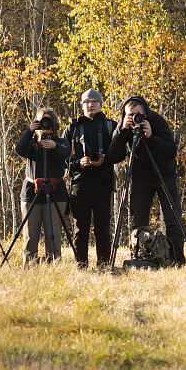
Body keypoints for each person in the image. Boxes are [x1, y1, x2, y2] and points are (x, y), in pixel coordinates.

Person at [112, 95, 183, 265]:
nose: (136, 119)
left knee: (173, 220)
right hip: (140, 178)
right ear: (124, 114)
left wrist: (151, 137)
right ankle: (141, 258)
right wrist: (122, 131)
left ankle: (177, 260)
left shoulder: (157, 122)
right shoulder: (123, 125)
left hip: (164, 175)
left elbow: (171, 150)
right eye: (131, 115)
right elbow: (113, 156)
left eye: (139, 115)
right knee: (139, 221)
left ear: (145, 112)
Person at [63, 88, 121, 268]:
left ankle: (104, 265)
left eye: (94, 102)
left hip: (104, 184)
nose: (90, 105)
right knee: (80, 229)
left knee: (103, 229)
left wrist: (105, 160)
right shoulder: (72, 127)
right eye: (87, 102)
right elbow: (62, 156)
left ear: (100, 104)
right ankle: (80, 266)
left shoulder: (110, 125)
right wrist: (78, 163)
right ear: (82, 105)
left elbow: (120, 153)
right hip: (80, 184)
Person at [15, 108, 70, 264]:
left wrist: (54, 146)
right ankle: (30, 269)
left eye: (48, 121)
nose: (45, 125)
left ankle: (54, 267)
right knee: (30, 236)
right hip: (31, 193)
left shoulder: (60, 142)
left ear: (54, 124)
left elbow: (66, 153)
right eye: (41, 121)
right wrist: (29, 132)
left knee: (53, 235)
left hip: (55, 194)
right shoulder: (31, 143)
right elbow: (19, 149)